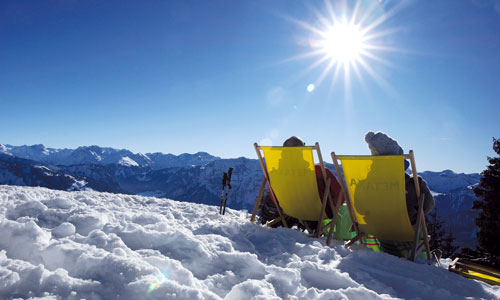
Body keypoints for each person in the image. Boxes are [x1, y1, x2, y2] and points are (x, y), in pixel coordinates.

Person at [364, 131, 435, 258]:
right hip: (406, 235)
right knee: (419, 222)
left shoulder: (365, 184)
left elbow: (360, 206)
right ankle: (421, 256)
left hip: (378, 232)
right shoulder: (414, 183)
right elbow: (428, 205)